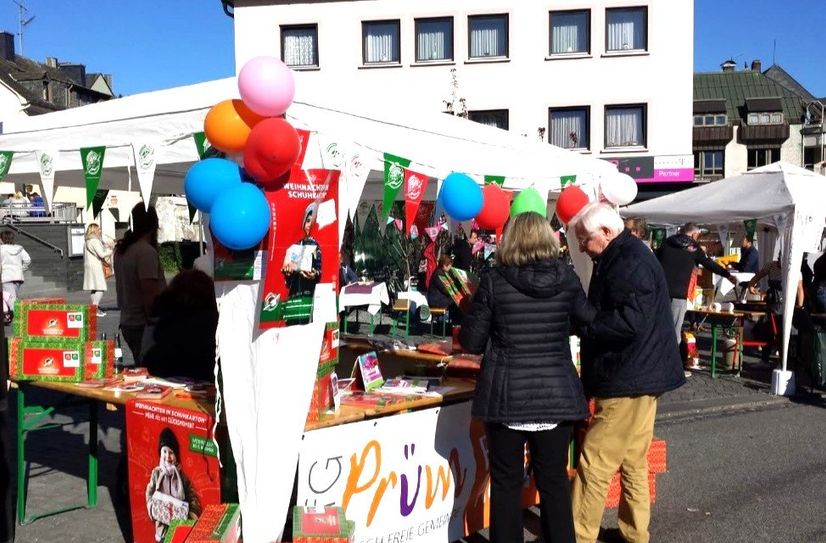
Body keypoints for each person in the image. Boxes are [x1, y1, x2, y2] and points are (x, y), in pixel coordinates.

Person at [460, 212, 592, 543]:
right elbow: (588, 322)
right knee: (554, 483)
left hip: (507, 396)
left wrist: (471, 307)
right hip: (556, 394)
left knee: (506, 484)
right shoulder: (567, 277)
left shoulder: (494, 280)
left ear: (511, 241)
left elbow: (472, 342)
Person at [569, 203, 685, 543]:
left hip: (628, 375)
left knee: (595, 462)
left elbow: (628, 323)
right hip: (642, 372)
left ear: (606, 232)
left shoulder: (628, 262)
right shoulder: (626, 255)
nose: (581, 247)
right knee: (633, 458)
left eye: (584, 239)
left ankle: (578, 535)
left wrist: (587, 324)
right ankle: (634, 533)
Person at [656, 223, 735, 340]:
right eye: (698, 235)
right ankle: (672, 352)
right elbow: (709, 264)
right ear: (694, 234)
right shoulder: (693, 247)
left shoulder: (667, 242)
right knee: (674, 333)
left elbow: (655, 260)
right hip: (679, 294)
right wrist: (727, 274)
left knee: (658, 329)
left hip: (660, 293)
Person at [143, 270, 218, 382]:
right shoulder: (213, 322)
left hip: (163, 380)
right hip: (204, 382)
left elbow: (148, 360)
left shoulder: (162, 319)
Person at [114, 204, 165, 366]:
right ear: (154, 224)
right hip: (143, 323)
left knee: (142, 366)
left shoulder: (122, 251)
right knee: (152, 370)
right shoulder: (145, 252)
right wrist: (156, 324)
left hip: (128, 320)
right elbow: (149, 294)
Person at [145, 428, 201, 542]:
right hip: (161, 531)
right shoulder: (157, 473)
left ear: (176, 455)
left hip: (178, 530)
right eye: (164, 452)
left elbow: (193, 498)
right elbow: (149, 492)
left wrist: (190, 516)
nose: (167, 456)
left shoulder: (182, 477)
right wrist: (152, 507)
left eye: (171, 452)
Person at [282, 202, 321, 299]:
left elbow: (319, 270)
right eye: (308, 221)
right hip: (294, 294)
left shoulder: (316, 246)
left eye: (312, 222)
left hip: (309, 294)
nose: (309, 225)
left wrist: (314, 274)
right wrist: (288, 273)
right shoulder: (295, 246)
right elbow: (288, 279)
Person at [83, 223, 113, 317]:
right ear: (94, 230)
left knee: (94, 288)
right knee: (100, 287)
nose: (100, 231)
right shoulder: (95, 241)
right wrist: (111, 250)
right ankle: (94, 308)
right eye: (99, 229)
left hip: (89, 266)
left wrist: (105, 247)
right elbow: (102, 254)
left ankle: (94, 307)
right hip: (95, 266)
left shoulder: (87, 241)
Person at [0, 231, 31, 310]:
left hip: (6, 277)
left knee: (10, 299)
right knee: (13, 298)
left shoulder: (1, 249)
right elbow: (27, 260)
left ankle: (16, 315)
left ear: (2, 239)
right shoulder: (19, 248)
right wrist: (21, 269)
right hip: (18, 277)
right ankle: (12, 314)